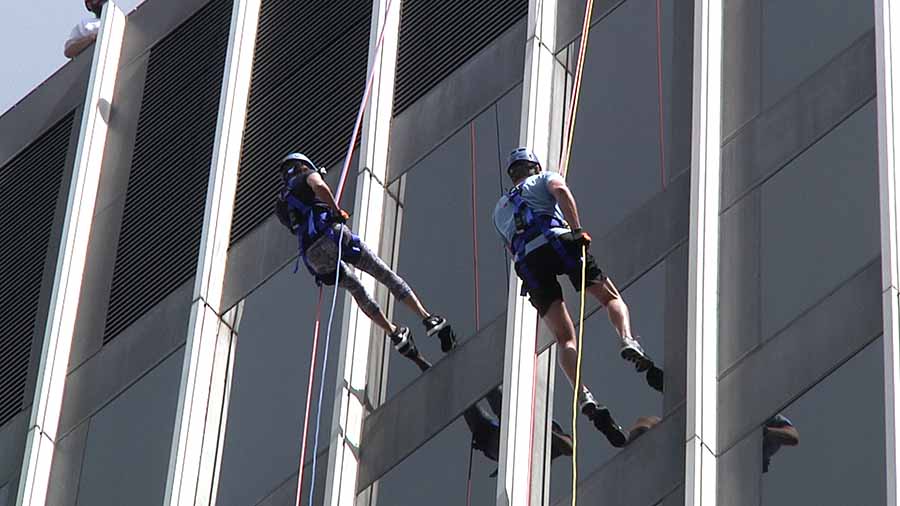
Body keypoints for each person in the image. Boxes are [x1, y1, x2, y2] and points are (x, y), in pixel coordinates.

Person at [492, 147, 661, 448]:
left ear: (512, 174)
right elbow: (563, 194)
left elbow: (510, 247)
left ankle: (583, 395)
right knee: (610, 298)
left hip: (529, 265)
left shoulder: (499, 209)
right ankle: (627, 340)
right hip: (557, 242)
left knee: (564, 337)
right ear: (533, 167)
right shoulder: (545, 178)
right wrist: (577, 230)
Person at [274, 153, 457, 356]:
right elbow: (319, 187)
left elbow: (296, 227)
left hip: (314, 258)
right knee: (382, 273)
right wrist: (336, 210)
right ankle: (426, 317)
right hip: (333, 236)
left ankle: (394, 332)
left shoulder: (280, 205)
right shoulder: (306, 175)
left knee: (357, 290)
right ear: (303, 165)